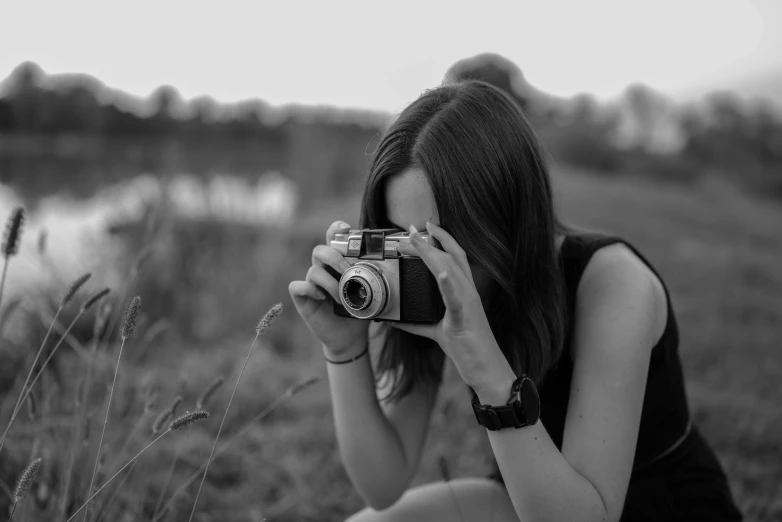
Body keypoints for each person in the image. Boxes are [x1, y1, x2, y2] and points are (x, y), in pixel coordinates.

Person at [288, 80, 743, 522]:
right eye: (398, 238)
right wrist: (344, 350)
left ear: (509, 218)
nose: (422, 259)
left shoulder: (613, 283)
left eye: (437, 240)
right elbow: (383, 484)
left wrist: (487, 370)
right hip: (529, 499)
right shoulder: (422, 283)